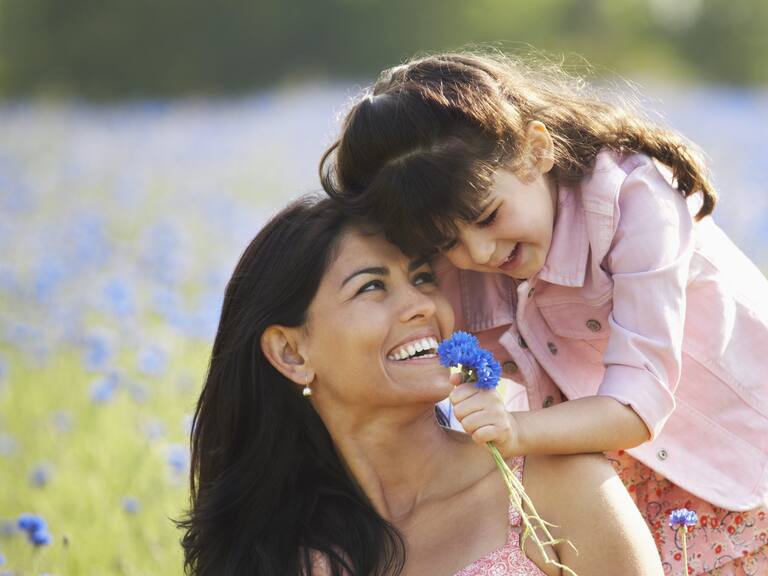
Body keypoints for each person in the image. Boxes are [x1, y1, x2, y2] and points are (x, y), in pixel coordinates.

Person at [319, 51, 768, 574]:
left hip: (737, 464)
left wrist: (515, 430)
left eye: (489, 216)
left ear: (536, 150)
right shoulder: (465, 248)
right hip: (614, 477)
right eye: (445, 243)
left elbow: (638, 401)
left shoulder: (632, 199)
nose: (479, 254)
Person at [177, 196, 663, 575]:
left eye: (424, 278)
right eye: (372, 286)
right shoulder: (280, 555)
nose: (424, 306)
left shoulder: (555, 487)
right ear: (291, 353)